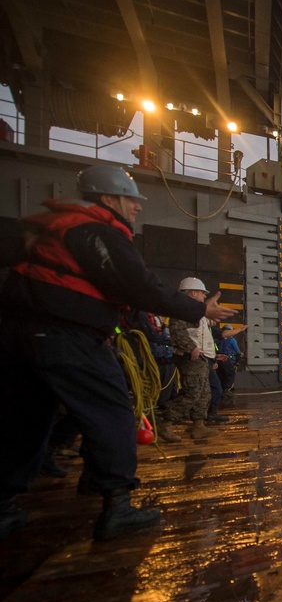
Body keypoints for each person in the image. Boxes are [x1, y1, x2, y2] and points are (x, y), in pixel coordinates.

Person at [0, 165, 236, 541]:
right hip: (69, 336)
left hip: (19, 334)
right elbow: (140, 287)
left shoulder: (49, 228)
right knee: (113, 413)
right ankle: (116, 506)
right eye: (131, 200)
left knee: (24, 419)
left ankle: (4, 506)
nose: (137, 208)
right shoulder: (97, 232)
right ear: (108, 199)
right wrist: (200, 309)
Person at [162, 277, 223, 440]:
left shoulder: (195, 312)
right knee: (192, 393)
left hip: (202, 358)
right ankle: (166, 423)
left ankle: (199, 426)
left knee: (204, 393)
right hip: (190, 357)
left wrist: (212, 354)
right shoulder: (181, 310)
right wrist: (191, 347)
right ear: (194, 293)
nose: (204, 296)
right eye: (203, 293)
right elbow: (177, 330)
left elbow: (203, 334)